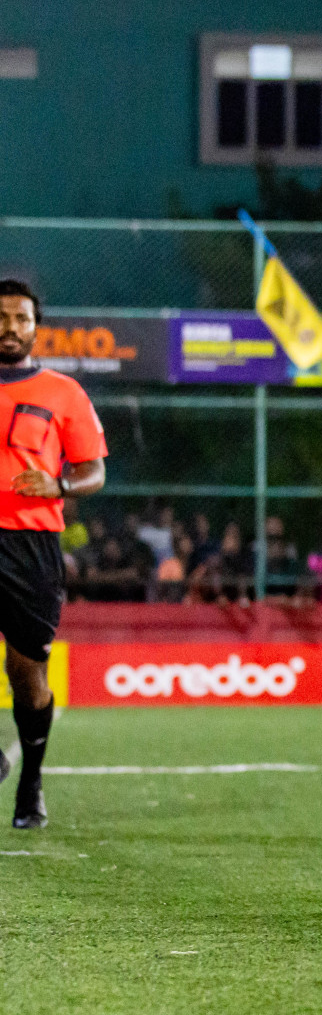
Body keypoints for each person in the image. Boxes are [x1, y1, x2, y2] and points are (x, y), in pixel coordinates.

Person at [0, 279, 107, 828]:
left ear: (36, 326)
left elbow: (94, 470)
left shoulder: (64, 392)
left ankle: (31, 783)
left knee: (27, 676)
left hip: (32, 545)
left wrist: (59, 486)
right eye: (2, 317)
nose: (10, 328)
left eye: (20, 318)